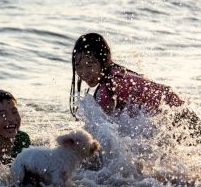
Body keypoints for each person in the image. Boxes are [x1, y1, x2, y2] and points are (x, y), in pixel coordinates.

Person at [69, 32, 200, 142]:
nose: (83, 73)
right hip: (181, 114)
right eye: (78, 66)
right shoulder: (117, 73)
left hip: (178, 119)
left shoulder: (108, 87)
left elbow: (102, 132)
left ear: (103, 61)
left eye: (89, 65)